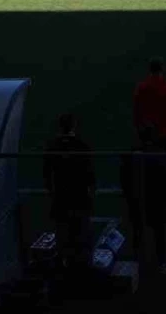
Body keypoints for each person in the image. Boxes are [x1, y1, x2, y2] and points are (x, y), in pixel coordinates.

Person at [43, 113, 95, 271]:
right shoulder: (82, 145)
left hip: (61, 198)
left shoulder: (53, 146)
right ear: (73, 126)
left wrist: (51, 191)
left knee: (63, 236)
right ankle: (81, 269)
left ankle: (64, 269)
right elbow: (90, 175)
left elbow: (46, 175)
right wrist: (91, 191)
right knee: (80, 235)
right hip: (79, 198)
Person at [121, 125, 166, 276]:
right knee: (159, 232)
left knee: (138, 231)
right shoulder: (161, 155)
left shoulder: (131, 154)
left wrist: (128, 196)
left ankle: (136, 263)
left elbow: (124, 178)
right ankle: (161, 262)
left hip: (137, 198)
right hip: (156, 200)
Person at [133, 58, 166, 151]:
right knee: (164, 161)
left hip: (148, 133)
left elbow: (137, 110)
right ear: (162, 70)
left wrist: (139, 128)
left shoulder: (142, 88)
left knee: (149, 161)